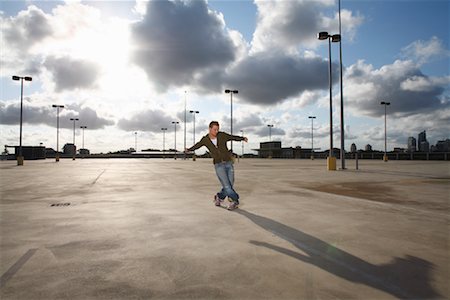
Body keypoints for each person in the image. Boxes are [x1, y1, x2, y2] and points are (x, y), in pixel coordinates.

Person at [185, 121, 248, 210]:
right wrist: (189, 149)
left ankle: (219, 197)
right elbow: (197, 145)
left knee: (229, 184)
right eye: (214, 129)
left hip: (228, 163)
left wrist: (242, 138)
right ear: (210, 129)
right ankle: (235, 201)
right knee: (227, 186)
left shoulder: (222, 135)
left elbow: (232, 137)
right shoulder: (205, 139)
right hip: (218, 165)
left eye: (217, 129)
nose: (216, 131)